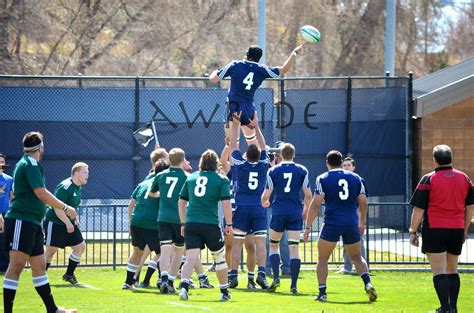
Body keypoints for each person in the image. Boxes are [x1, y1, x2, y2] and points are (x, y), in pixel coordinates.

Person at [3, 131, 76, 313]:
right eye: (43, 144)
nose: (44, 147)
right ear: (39, 147)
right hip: (22, 220)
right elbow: (41, 193)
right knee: (16, 266)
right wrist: (66, 208)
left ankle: (52, 309)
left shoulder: (32, 164)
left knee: (39, 267)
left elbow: (40, 194)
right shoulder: (29, 164)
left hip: (33, 222)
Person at [304, 150, 377, 303]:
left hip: (332, 222)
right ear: (341, 162)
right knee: (357, 257)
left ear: (327, 163)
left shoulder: (322, 178)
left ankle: (322, 293)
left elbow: (316, 204)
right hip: (351, 221)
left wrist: (307, 227)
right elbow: (363, 203)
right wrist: (361, 222)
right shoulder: (356, 178)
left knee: (322, 259)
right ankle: (368, 283)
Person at [409, 145, 473, 313]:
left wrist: (412, 231)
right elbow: (471, 209)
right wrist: (464, 230)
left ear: (434, 160)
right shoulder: (465, 178)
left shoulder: (428, 179)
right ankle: (453, 308)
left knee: (439, 270)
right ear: (451, 158)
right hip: (457, 229)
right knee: (453, 269)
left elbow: (418, 209)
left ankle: (444, 308)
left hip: (435, 228)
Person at [209, 44, 304, 146]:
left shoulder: (235, 65)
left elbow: (213, 79)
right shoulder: (261, 69)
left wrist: (214, 72)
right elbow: (284, 69)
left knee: (231, 144)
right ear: (259, 58)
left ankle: (232, 161)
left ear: (247, 54)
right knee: (253, 144)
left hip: (233, 107)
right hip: (248, 109)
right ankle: (259, 160)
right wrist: (294, 53)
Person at [178, 149, 233, 301]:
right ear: (216, 163)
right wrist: (229, 224)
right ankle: (224, 292)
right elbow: (226, 204)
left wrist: (183, 222)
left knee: (190, 258)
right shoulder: (222, 179)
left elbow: (181, 202)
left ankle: (183, 287)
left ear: (201, 163)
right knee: (219, 258)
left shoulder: (191, 178)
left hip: (191, 222)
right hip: (210, 223)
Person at [261, 143, 312, 294]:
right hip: (295, 211)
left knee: (274, 245)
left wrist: (265, 202)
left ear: (281, 155)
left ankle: (276, 277)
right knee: (294, 249)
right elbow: (308, 196)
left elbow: (265, 196)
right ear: (294, 155)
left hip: (278, 211)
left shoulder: (273, 170)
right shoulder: (302, 170)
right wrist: (305, 210)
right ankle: (294, 285)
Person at [227, 113, 270, 289]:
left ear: (246, 156)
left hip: (242, 206)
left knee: (237, 243)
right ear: (259, 156)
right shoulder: (263, 164)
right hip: (259, 207)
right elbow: (263, 144)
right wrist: (256, 127)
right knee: (260, 243)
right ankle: (261, 274)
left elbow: (232, 144)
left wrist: (236, 124)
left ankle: (234, 276)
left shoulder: (240, 164)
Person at [123, 159, 168, 290]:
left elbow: (131, 204)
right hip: (151, 224)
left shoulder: (143, 183)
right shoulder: (163, 184)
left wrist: (130, 223)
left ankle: (128, 282)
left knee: (137, 252)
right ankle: (162, 280)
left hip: (136, 221)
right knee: (163, 252)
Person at [44, 162, 89, 284]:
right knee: (50, 252)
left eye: (87, 172)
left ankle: (69, 274)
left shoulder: (78, 187)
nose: (87, 175)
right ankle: (40, 277)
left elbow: (72, 207)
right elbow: (57, 207)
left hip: (68, 222)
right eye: (85, 172)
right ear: (76, 173)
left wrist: (75, 219)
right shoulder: (65, 187)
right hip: (55, 223)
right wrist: (67, 223)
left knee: (80, 247)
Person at [339, 157, 367, 274]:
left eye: (349, 165)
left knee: (358, 240)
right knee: (346, 240)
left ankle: (361, 266)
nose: (346, 167)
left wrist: (361, 219)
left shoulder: (358, 180)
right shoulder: (338, 179)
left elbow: (363, 201)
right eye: (344, 165)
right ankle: (347, 266)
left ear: (353, 167)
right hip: (341, 211)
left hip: (353, 211)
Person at [0, 153, 13, 273]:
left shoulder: (9, 179)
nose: (1, 164)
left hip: (6, 214)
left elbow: (12, 197)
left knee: (4, 240)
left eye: (2, 162)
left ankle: (4, 267)